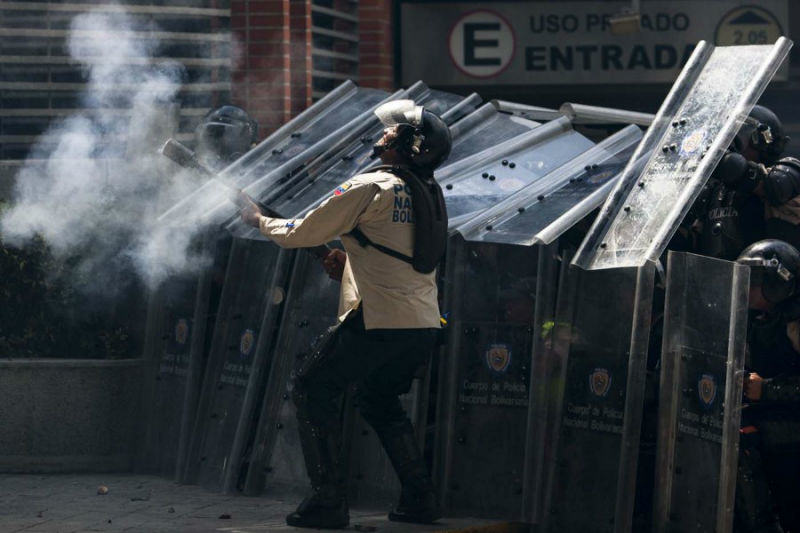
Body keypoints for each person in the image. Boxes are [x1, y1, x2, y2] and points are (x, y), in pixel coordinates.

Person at [239, 100, 452, 529]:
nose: (384, 134)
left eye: (394, 132)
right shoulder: (425, 190)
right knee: (378, 400)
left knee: (310, 389)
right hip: (422, 322)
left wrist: (259, 220)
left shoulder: (369, 186)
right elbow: (395, 254)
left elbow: (300, 232)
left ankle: (329, 501)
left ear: (410, 146)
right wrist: (348, 265)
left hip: (379, 320)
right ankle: (420, 500)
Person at [735, 239, 800, 532]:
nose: (746, 286)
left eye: (756, 280)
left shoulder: (795, 323)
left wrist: (768, 389)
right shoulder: (756, 320)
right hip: (767, 430)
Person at [693, 105, 799, 260]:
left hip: (766, 278)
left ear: (762, 141)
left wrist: (724, 160)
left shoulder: (784, 177)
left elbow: (774, 187)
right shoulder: (714, 190)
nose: (729, 143)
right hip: (716, 279)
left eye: (738, 134)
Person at [195, 105, 258, 170]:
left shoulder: (256, 167)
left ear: (246, 135)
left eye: (229, 133)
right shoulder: (204, 167)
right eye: (216, 134)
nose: (218, 140)